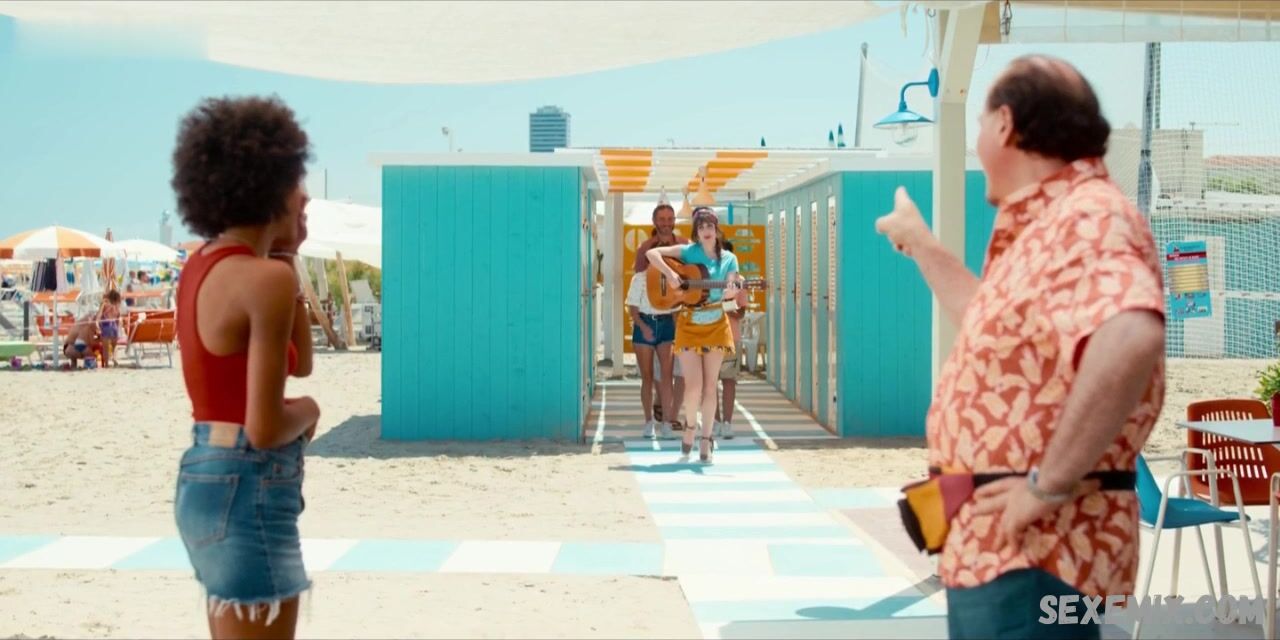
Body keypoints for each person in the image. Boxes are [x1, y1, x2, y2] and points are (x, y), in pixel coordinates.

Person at [875, 55, 1166, 639]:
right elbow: (990, 326)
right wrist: (922, 246)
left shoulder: (1088, 217)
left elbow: (1132, 335)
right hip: (1001, 551)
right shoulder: (1055, 223)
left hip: (1039, 553)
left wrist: (1045, 487)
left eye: (981, 125)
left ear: (1005, 125)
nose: (977, 142)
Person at [170, 95, 320, 640]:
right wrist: (310, 412)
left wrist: (287, 254)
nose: (305, 196)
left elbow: (299, 361)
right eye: (296, 180)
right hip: (249, 478)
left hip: (205, 472)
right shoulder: (264, 280)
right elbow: (266, 425)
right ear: (269, 183)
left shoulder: (205, 265)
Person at [646, 207, 742, 463]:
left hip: (716, 324)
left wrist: (731, 291)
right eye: (701, 227)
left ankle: (706, 438)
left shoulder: (729, 259)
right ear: (696, 232)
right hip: (689, 323)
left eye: (710, 226)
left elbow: (732, 286)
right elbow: (651, 254)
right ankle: (690, 426)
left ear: (717, 229)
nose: (706, 231)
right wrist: (671, 274)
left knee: (711, 386)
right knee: (693, 386)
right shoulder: (689, 252)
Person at [635, 203, 690, 435]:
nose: (666, 223)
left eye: (670, 218)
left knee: (681, 372)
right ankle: (661, 411)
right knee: (658, 373)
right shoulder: (645, 249)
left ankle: (672, 416)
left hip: (682, 320)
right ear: (654, 221)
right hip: (655, 319)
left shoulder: (686, 246)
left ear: (675, 220)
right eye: (662, 219)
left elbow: (693, 278)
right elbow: (641, 284)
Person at [626, 268, 675, 440]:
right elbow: (633, 309)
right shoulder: (639, 278)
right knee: (647, 376)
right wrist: (643, 327)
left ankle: (667, 423)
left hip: (666, 323)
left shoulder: (671, 278)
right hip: (644, 321)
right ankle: (648, 422)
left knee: (667, 376)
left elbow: (676, 307)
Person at [713, 240, 749, 439]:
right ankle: (715, 421)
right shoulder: (707, 278)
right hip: (709, 336)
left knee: (728, 380)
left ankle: (727, 422)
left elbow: (741, 312)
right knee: (710, 382)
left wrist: (726, 306)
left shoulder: (739, 280)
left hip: (730, 338)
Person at [96, 290, 123, 367]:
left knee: (105, 348)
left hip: (106, 326)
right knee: (115, 346)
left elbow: (99, 316)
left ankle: (106, 364)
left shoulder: (104, 305)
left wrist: (97, 325)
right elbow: (119, 317)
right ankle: (115, 359)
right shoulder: (116, 306)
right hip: (114, 326)